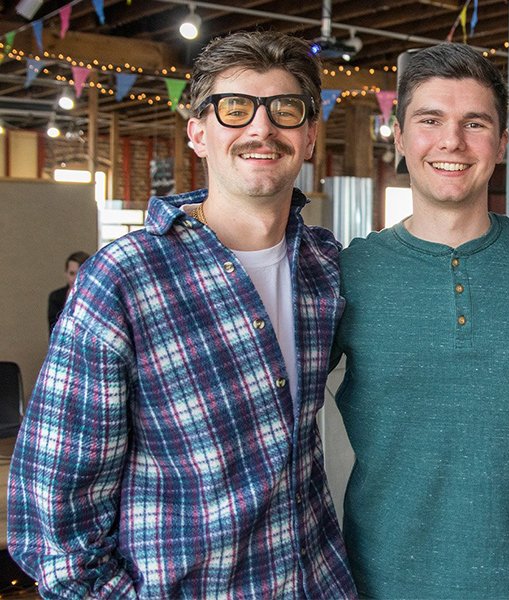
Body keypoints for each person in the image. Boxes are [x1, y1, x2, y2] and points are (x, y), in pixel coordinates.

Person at [9, 31, 357, 598]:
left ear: (311, 136)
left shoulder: (326, 268)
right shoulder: (124, 277)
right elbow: (53, 514)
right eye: (235, 109)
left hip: (315, 582)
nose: (261, 129)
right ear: (197, 133)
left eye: (284, 111)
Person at [331, 43, 509, 598]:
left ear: (502, 143)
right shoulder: (349, 272)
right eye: (430, 120)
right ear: (398, 135)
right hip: (376, 583)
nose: (452, 141)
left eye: (475, 123)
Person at [46, 250, 89, 333]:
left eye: (80, 274)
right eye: (72, 273)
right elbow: (53, 330)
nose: (75, 279)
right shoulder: (56, 297)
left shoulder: (96, 299)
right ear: (66, 273)